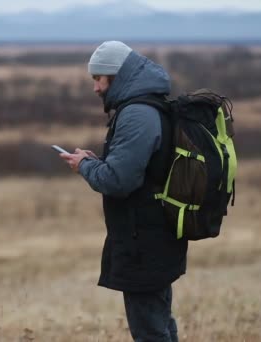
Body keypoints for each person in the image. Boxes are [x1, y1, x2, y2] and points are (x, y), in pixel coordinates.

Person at [60, 41, 188, 342]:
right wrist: (97, 163)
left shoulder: (137, 114)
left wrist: (85, 167)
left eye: (98, 79)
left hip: (143, 239)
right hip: (152, 234)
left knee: (150, 331)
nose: (95, 88)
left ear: (116, 76)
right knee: (158, 323)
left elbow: (118, 181)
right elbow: (135, 170)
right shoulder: (146, 106)